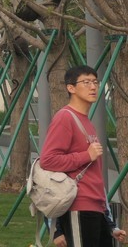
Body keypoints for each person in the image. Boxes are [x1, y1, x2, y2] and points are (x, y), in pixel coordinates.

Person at [39, 65, 127, 246]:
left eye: (95, 82)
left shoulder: (86, 121)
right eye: (86, 82)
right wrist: (86, 155)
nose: (93, 87)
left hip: (96, 209)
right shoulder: (65, 117)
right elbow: (48, 160)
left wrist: (110, 224)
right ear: (70, 88)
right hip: (78, 207)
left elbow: (93, 176)